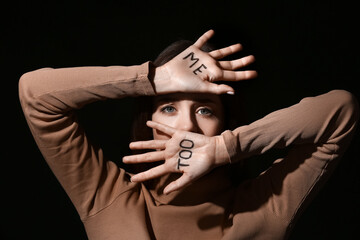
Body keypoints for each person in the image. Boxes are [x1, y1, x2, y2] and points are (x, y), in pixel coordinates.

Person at [19, 30, 358, 239]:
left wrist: (226, 148)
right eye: (167, 107)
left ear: (225, 122)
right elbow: (35, 94)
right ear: (147, 121)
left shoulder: (264, 207)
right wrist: (154, 79)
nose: (186, 126)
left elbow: (340, 111)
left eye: (205, 110)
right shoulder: (108, 195)